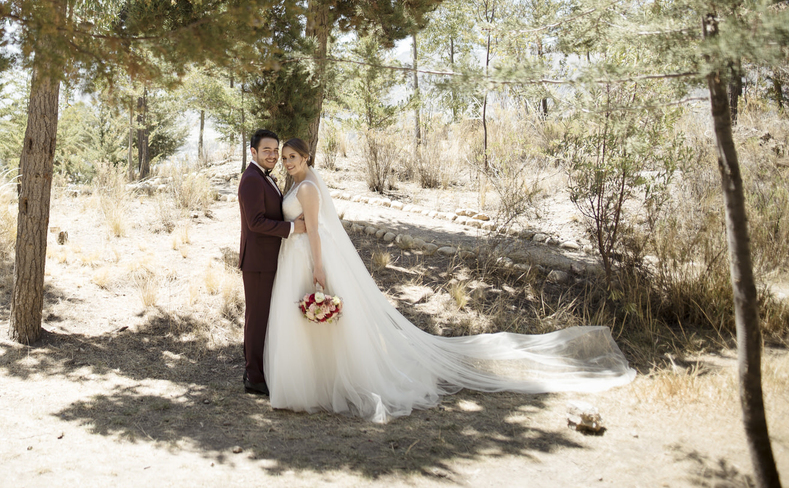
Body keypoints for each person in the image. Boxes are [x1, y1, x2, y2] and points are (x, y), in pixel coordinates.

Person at [264, 137, 636, 422]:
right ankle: (317, 379)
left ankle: (331, 382)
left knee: (320, 316)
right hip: (293, 255)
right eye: (284, 158)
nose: (287, 162)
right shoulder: (295, 183)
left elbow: (314, 230)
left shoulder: (309, 187)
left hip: (309, 256)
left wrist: (318, 267)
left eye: (292, 158)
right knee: (307, 320)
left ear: (307, 158)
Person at [237, 129, 305, 396]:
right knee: (257, 318)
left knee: (264, 316)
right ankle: (254, 376)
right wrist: (291, 228)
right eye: (267, 150)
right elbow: (255, 223)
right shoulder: (252, 179)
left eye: (275, 150)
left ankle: (259, 368)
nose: (273, 155)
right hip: (257, 262)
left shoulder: (264, 177)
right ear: (253, 152)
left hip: (268, 259)